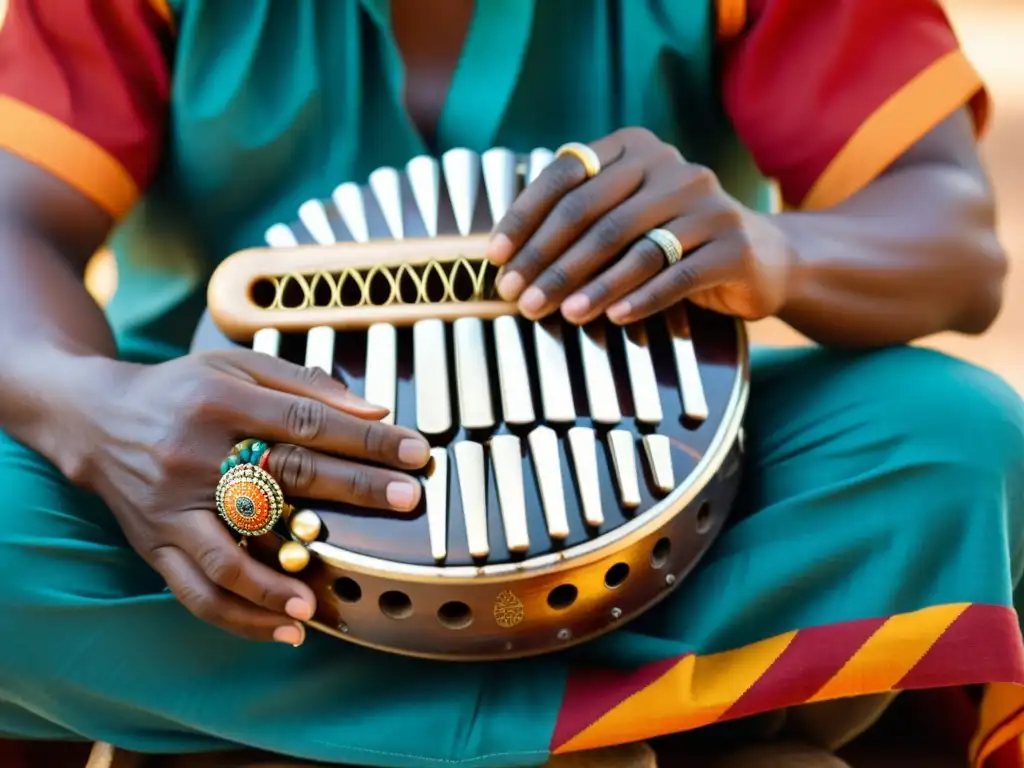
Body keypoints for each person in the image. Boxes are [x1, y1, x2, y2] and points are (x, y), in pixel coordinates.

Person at [0, 0, 1021, 766]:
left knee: (951, 439)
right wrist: (102, 413)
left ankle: (270, 726)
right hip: (237, 526)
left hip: (664, 518)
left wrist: (771, 250)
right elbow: (14, 222)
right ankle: (643, 717)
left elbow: (952, 239)